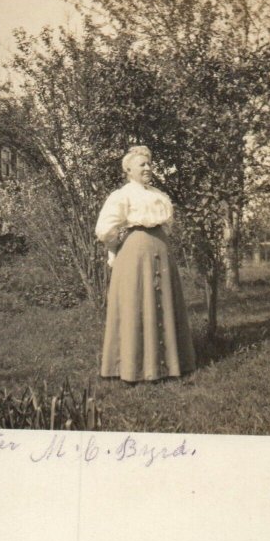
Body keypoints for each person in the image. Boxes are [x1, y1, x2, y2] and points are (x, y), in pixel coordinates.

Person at [95, 145, 196, 383]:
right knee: (135, 304)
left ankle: (169, 365)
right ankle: (132, 368)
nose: (148, 168)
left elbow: (168, 225)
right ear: (128, 169)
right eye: (142, 165)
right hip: (134, 253)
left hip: (161, 249)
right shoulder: (122, 196)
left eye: (149, 164)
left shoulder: (159, 196)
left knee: (164, 303)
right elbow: (104, 230)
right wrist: (116, 247)